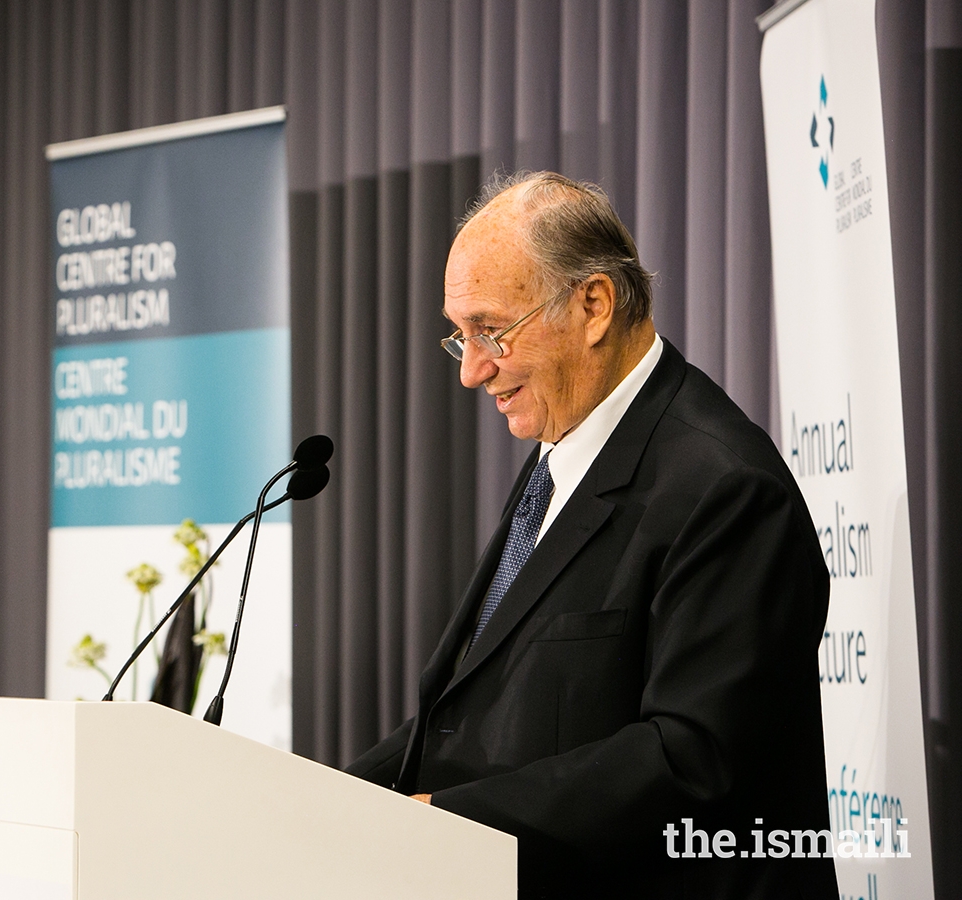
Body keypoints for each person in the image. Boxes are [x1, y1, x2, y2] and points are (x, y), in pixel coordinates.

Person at [346, 171, 837, 898]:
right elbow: (479, 709)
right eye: (461, 336)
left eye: (492, 330)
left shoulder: (727, 488)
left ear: (594, 304)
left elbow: (691, 759)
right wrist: (326, 798)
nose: (474, 371)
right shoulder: (565, 445)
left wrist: (450, 822)